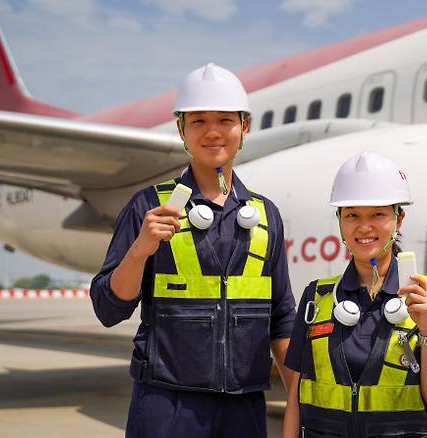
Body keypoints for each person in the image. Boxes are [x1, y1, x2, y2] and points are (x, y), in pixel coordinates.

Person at [90, 63, 297, 438]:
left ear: (244, 126)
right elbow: (107, 308)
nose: (213, 132)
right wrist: (140, 249)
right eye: (198, 121)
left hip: (244, 406)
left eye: (224, 120)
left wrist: (299, 398)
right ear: (182, 129)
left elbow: (282, 316)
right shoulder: (147, 207)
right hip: (167, 404)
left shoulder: (266, 215)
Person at [282, 151, 427, 438]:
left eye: (378, 214)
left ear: (398, 218)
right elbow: (296, 397)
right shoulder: (316, 298)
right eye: (352, 214)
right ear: (340, 220)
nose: (364, 227)